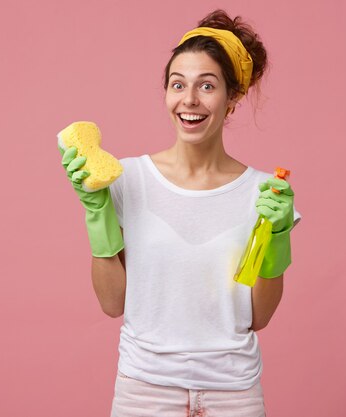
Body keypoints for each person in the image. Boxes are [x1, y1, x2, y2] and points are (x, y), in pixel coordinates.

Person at [59, 9, 301, 417]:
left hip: (233, 394)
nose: (189, 100)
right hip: (144, 392)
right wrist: (97, 213)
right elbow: (112, 302)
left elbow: (258, 317)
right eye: (177, 85)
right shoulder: (126, 178)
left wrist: (277, 239)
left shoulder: (263, 192)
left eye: (207, 86)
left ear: (232, 99)